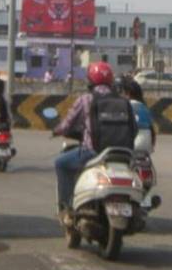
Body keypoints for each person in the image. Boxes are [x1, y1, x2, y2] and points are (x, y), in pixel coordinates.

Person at [52, 61, 121, 222]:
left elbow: (67, 124)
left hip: (93, 152)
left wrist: (56, 131)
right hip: (119, 152)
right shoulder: (121, 100)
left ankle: (67, 207)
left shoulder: (85, 99)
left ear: (90, 80)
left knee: (60, 163)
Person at [121, 77, 156, 153]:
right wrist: (152, 145)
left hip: (131, 145)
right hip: (147, 144)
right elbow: (152, 130)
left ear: (128, 94)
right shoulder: (145, 108)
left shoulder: (124, 107)